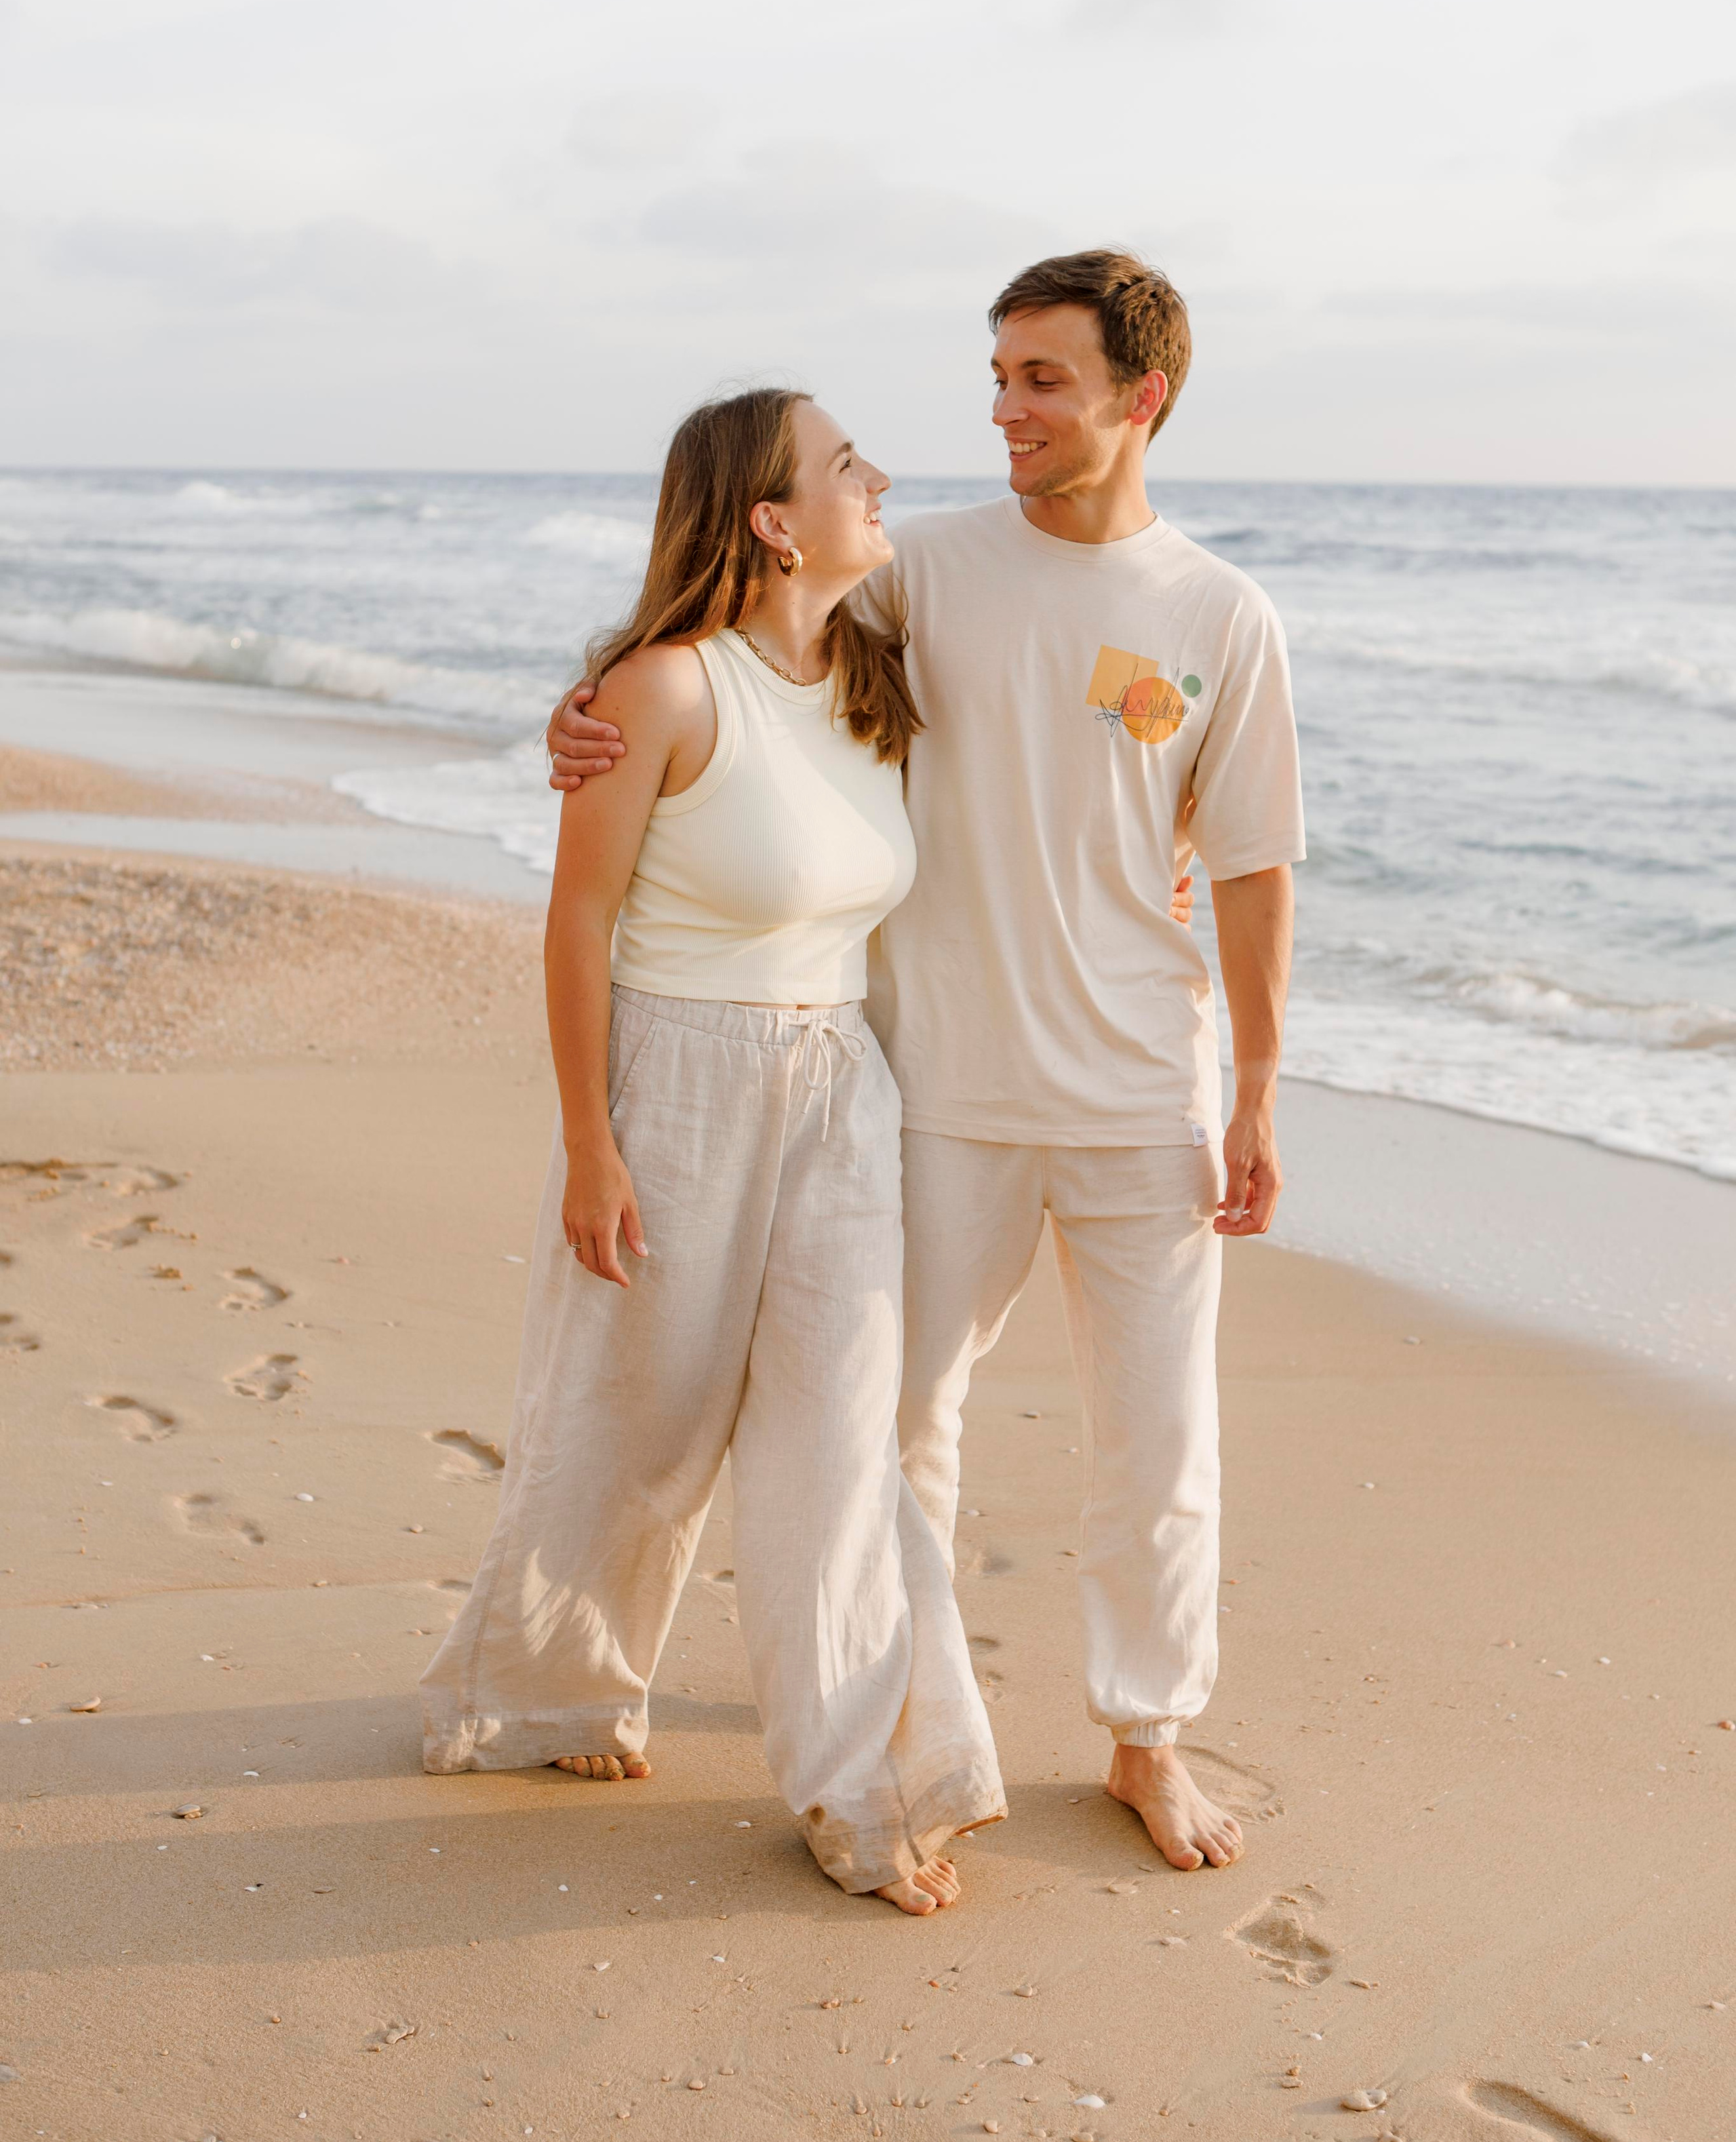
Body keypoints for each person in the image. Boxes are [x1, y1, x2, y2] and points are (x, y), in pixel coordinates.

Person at [550, 250, 1303, 1875]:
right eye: (1001, 374)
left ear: (1138, 396)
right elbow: (740, 651)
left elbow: (1247, 868)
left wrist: (1251, 1092)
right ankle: (898, 1720)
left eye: (1042, 379)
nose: (1003, 408)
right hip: (934, 1089)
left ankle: (1144, 1738)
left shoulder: (1220, 616)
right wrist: (581, 712)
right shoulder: (917, 573)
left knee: (1160, 1443)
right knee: (892, 1433)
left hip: (1135, 1097)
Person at [424, 386, 1005, 1915]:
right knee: (638, 1415)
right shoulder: (665, 688)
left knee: (839, 1435)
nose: (876, 481)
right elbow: (578, 918)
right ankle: (551, 1689)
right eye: (842, 466)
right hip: (674, 1078)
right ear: (768, 515)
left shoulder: (879, 670)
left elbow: (1060, 692)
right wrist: (585, 1142)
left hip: (839, 1089)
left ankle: (864, 1780)